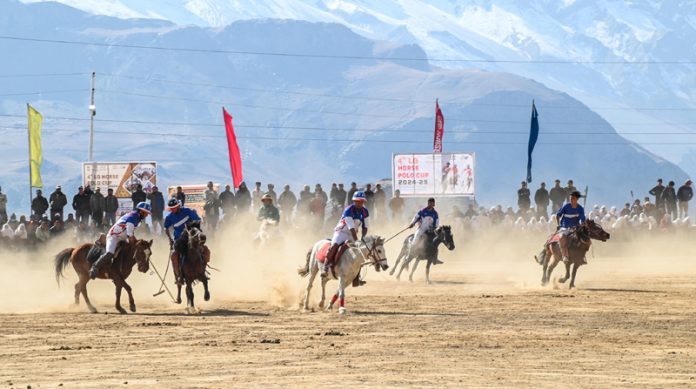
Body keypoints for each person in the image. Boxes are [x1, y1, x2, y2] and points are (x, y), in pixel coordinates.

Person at [89, 202, 151, 279]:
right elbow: (130, 235)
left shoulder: (137, 218)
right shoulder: (133, 217)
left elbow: (131, 235)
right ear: (141, 211)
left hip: (122, 237)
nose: (147, 215)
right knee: (110, 253)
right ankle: (95, 267)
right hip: (114, 236)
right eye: (146, 213)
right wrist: (136, 244)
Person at [322, 191, 369, 278]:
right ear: (354, 201)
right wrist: (356, 240)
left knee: (358, 252)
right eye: (358, 201)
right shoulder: (348, 210)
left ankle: (357, 276)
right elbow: (351, 227)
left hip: (352, 234)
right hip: (341, 232)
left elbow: (365, 226)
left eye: (362, 201)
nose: (360, 203)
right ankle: (326, 266)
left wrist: (363, 238)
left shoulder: (365, 211)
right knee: (334, 246)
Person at [164, 199, 201, 285]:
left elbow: (198, 219)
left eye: (174, 207)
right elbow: (166, 228)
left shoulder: (187, 211)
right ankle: (179, 276)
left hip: (191, 237)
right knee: (174, 255)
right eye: (171, 208)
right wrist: (170, 239)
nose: (173, 209)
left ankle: (203, 270)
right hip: (178, 239)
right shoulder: (169, 217)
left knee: (204, 249)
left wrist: (194, 226)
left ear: (178, 206)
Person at [408, 197, 441, 264]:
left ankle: (435, 259)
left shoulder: (435, 213)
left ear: (434, 204)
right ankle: (410, 254)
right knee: (416, 237)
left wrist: (434, 228)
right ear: (428, 203)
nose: (430, 204)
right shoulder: (423, 211)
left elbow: (437, 223)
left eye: (432, 203)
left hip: (430, 230)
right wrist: (412, 223)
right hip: (422, 229)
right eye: (429, 203)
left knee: (436, 242)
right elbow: (416, 217)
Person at [555, 191, 586, 263]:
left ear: (577, 199)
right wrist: (558, 224)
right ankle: (564, 256)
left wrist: (582, 226)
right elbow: (558, 215)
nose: (571, 199)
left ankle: (583, 256)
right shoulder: (566, 206)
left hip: (575, 228)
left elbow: (583, 220)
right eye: (570, 198)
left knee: (584, 239)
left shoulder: (580, 208)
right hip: (564, 227)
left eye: (573, 198)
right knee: (562, 237)